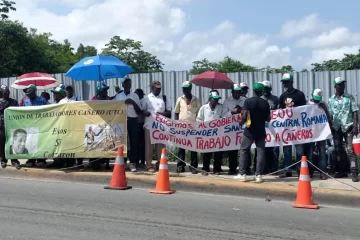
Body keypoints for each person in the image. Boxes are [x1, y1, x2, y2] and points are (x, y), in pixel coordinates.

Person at [235, 82, 270, 183]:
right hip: (261, 131)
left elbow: (245, 116)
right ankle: (258, 175)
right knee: (260, 152)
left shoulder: (248, 101)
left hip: (249, 131)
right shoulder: (265, 103)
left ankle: (242, 174)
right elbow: (268, 119)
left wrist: (240, 122)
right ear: (261, 91)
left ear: (253, 91)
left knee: (244, 150)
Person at [327, 77, 359, 182]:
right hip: (336, 128)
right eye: (339, 84)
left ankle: (354, 172)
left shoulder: (349, 98)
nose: (342, 86)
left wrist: (355, 126)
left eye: (343, 84)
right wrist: (329, 127)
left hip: (348, 126)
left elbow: (355, 111)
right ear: (335, 86)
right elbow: (329, 115)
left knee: (350, 150)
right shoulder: (330, 100)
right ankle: (342, 171)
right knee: (337, 150)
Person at [278, 73, 307, 178]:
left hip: (298, 127)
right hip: (287, 127)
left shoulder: (299, 94)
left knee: (299, 150)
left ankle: (300, 169)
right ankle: (288, 169)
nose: (285, 84)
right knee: (287, 149)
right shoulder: (282, 96)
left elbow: (305, 110)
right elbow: (280, 111)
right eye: (284, 82)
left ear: (291, 82)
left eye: (287, 82)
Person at [113, 77, 142, 172]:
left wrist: (132, 102)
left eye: (130, 83)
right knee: (122, 142)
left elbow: (139, 111)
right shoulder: (118, 96)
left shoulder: (135, 96)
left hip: (133, 120)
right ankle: (123, 162)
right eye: (126, 83)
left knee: (134, 142)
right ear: (123, 85)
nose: (128, 85)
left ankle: (133, 163)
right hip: (122, 121)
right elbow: (114, 109)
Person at [143, 80, 171, 173]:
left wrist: (161, 114)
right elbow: (142, 111)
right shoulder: (146, 98)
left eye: (160, 89)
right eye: (156, 88)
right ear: (152, 88)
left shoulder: (164, 98)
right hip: (149, 125)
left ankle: (160, 163)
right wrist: (145, 113)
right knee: (149, 147)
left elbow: (169, 113)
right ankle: (149, 165)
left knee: (161, 146)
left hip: (161, 127)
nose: (158, 90)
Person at [174, 81, 201, 174]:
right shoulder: (180, 99)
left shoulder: (196, 100)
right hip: (182, 128)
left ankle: (193, 166)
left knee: (193, 148)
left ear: (190, 89)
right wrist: (177, 124)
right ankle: (180, 165)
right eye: (184, 89)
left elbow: (199, 114)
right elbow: (176, 113)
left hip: (193, 128)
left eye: (187, 88)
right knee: (181, 147)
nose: (186, 90)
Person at [196, 90, 226, 176]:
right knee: (207, 152)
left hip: (218, 133)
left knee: (218, 152)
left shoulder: (221, 107)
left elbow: (225, 117)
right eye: (214, 99)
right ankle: (205, 168)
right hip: (207, 134)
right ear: (210, 99)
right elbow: (199, 119)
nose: (216, 101)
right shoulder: (203, 108)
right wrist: (203, 126)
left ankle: (216, 169)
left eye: (217, 99)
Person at [307, 88, 333, 180]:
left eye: (319, 98)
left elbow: (328, 119)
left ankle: (323, 172)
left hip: (321, 133)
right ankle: (310, 171)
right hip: (310, 133)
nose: (317, 100)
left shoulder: (323, 105)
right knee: (309, 152)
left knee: (322, 152)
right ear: (312, 96)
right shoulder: (307, 105)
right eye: (315, 98)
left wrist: (324, 109)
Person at [21, 84, 48, 167]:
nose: (27, 93)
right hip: (30, 126)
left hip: (40, 125)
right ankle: (31, 160)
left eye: (29, 91)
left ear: (34, 91)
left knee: (40, 143)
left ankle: (41, 159)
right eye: (26, 92)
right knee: (30, 143)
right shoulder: (26, 102)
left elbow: (47, 112)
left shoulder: (42, 100)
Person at [222, 84, 246, 175]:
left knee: (244, 149)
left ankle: (245, 168)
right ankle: (232, 168)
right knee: (232, 150)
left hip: (243, 128)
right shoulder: (227, 101)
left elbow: (249, 112)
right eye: (235, 92)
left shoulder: (245, 100)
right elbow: (223, 115)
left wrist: (242, 110)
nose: (237, 94)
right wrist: (232, 112)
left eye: (239, 92)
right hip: (232, 129)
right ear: (232, 92)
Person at [89, 82, 112, 170]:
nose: (106, 91)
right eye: (104, 90)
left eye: (106, 90)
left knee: (107, 144)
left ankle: (107, 163)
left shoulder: (109, 100)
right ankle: (95, 162)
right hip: (96, 125)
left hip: (107, 124)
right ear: (99, 91)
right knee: (96, 144)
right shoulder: (93, 101)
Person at [0, 85, 21, 169]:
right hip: (1, 126)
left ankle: (14, 160)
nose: (7, 92)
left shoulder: (14, 102)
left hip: (12, 126)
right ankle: (3, 160)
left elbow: (18, 112)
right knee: (2, 144)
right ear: (1, 92)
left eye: (8, 91)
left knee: (13, 143)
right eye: (5, 90)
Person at [134, 88, 146, 168]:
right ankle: (137, 160)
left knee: (142, 144)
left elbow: (141, 111)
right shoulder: (135, 101)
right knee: (137, 144)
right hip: (135, 123)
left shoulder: (143, 101)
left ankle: (142, 160)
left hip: (142, 124)